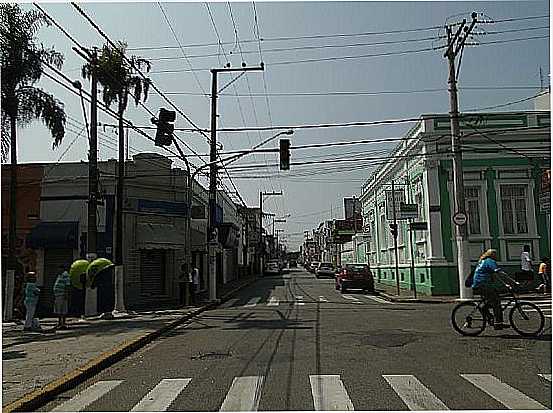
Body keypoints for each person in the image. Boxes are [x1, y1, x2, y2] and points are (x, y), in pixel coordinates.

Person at [472, 249, 506, 330]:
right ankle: (498, 323)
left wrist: (505, 284)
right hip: (483, 285)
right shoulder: (490, 261)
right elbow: (499, 273)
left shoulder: (483, 261)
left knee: (490, 301)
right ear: (492, 255)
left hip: (479, 285)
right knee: (496, 301)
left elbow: (496, 275)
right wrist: (513, 282)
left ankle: (488, 315)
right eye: (495, 254)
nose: (497, 256)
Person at [53, 263, 71, 329]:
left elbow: (67, 285)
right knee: (58, 309)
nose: (58, 270)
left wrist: (66, 294)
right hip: (58, 295)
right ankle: (60, 323)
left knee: (62, 309)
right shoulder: (60, 275)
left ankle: (62, 323)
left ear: (62, 269)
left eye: (59, 268)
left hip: (62, 295)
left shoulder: (65, 275)